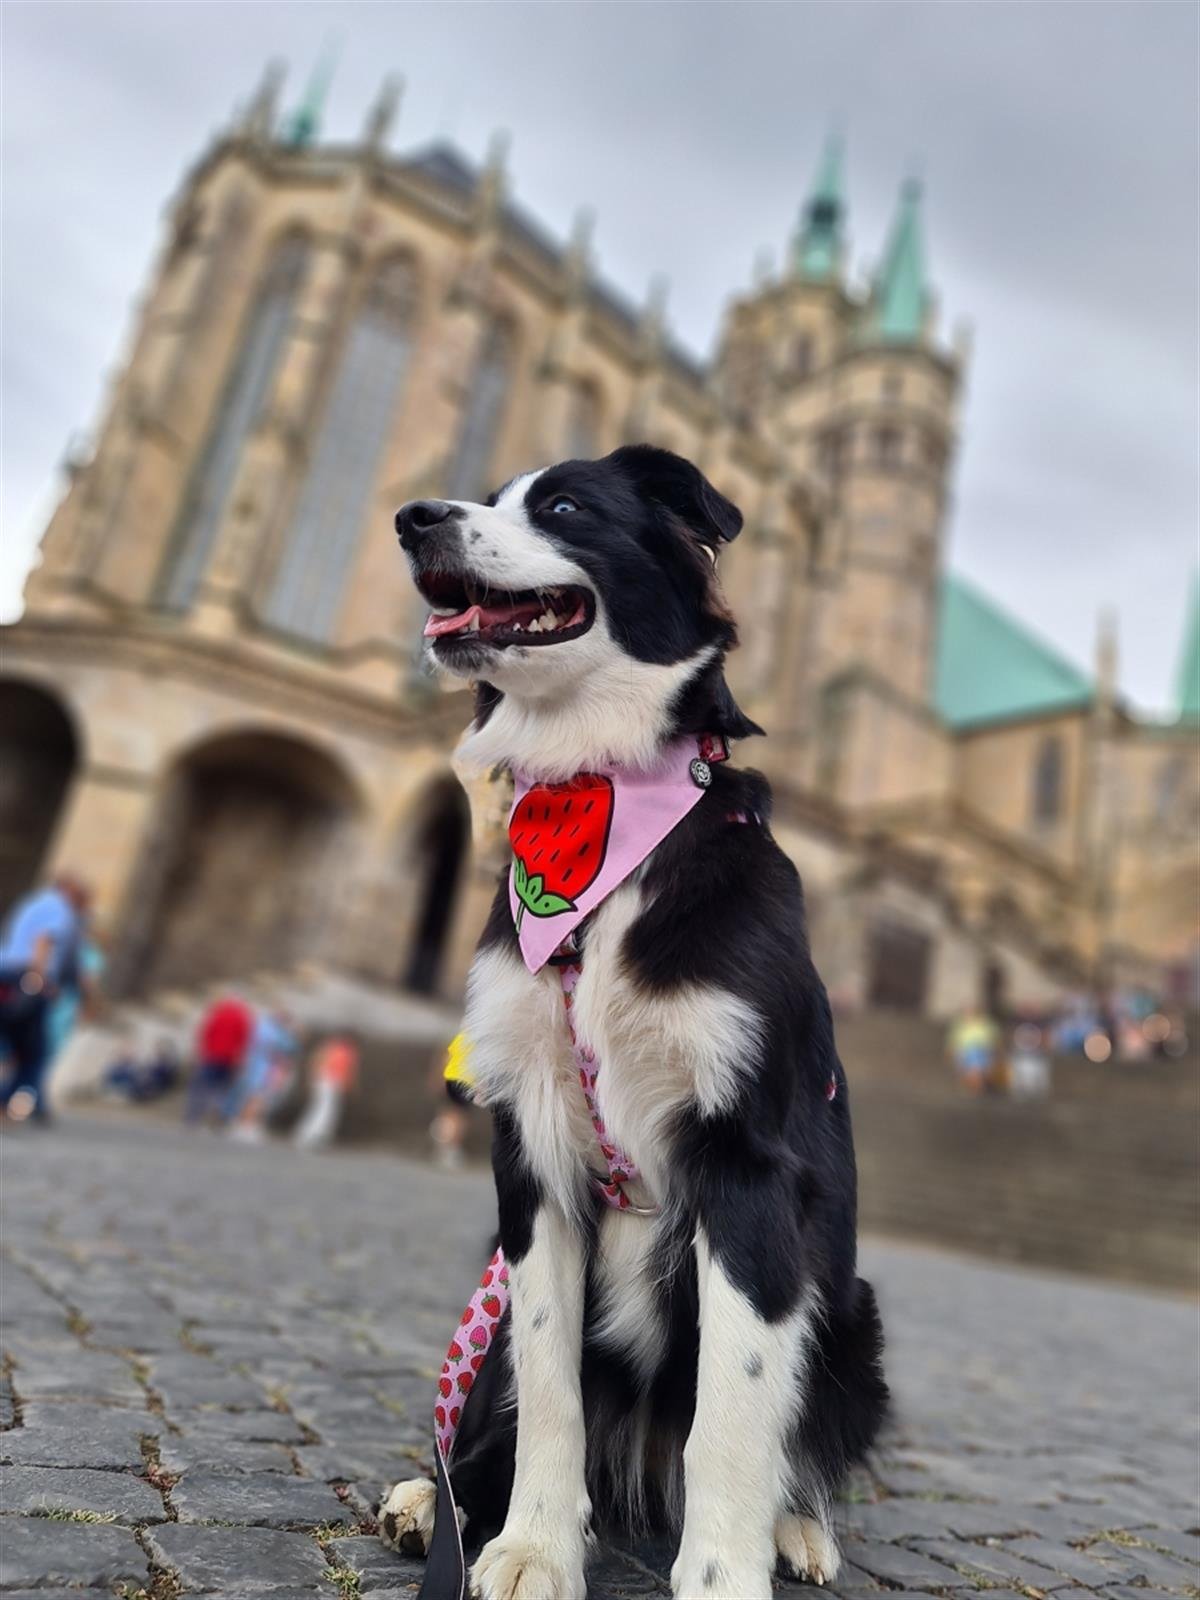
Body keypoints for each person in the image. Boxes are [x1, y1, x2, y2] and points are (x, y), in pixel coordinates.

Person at [0, 872, 91, 1123]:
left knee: (12, 1041)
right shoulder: (59, 908)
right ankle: (10, 1101)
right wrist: (39, 979)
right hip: (26, 979)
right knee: (33, 1051)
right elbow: (43, 940)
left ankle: (17, 1101)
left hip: (7, 973)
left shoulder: (30, 902)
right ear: (70, 891)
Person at [229, 1008, 298, 1143]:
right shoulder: (271, 1032)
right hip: (263, 1071)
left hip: (264, 1070)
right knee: (256, 1099)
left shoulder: (268, 1030)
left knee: (257, 1100)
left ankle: (247, 1125)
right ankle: (245, 1126)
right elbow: (286, 1048)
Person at [186, 994, 253, 1126]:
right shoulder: (243, 1017)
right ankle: (214, 1112)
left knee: (202, 1086)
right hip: (229, 1058)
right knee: (220, 1088)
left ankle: (194, 1116)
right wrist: (240, 1060)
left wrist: (199, 1051)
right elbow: (243, 1041)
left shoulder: (217, 1012)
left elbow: (205, 1032)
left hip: (211, 1055)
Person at [293, 1030, 360, 1151]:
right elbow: (317, 1062)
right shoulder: (333, 1048)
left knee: (327, 1110)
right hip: (327, 1080)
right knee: (322, 1109)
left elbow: (346, 1071)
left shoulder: (340, 1050)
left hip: (332, 1082)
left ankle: (315, 1136)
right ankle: (309, 1136)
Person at [947, 1007, 999, 1095]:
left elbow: (993, 1040)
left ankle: (978, 1086)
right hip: (964, 1051)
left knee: (978, 1068)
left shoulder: (986, 1024)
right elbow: (953, 1040)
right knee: (970, 1068)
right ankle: (973, 1086)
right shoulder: (959, 1025)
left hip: (982, 1051)